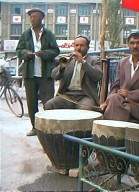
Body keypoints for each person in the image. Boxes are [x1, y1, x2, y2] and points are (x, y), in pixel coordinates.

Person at [100, 30, 139, 124]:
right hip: (120, 102)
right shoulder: (123, 62)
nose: (135, 46)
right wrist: (107, 101)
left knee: (114, 103)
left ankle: (112, 132)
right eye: (132, 43)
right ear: (128, 45)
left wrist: (129, 94)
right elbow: (116, 86)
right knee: (113, 99)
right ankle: (119, 128)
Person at [16, 8, 60, 136]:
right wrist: (26, 54)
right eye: (31, 17)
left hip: (45, 74)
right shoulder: (25, 34)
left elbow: (55, 51)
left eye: (35, 16)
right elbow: (19, 50)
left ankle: (47, 128)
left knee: (48, 101)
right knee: (31, 101)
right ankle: (35, 127)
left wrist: (44, 53)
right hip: (30, 74)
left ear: (41, 18)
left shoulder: (48, 34)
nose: (32, 19)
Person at [44, 35, 102, 111]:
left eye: (82, 45)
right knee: (49, 105)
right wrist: (62, 66)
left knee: (85, 110)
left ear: (88, 47)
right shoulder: (69, 59)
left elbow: (97, 76)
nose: (78, 48)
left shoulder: (94, 60)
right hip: (67, 95)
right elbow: (54, 76)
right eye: (76, 45)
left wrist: (83, 62)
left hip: (85, 96)